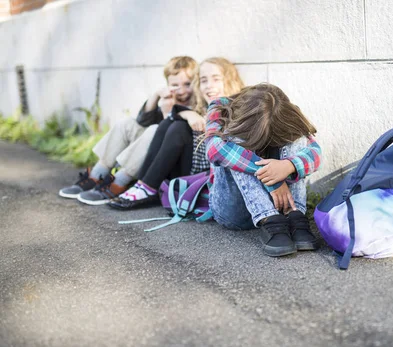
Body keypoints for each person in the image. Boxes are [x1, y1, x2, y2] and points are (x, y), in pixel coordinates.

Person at [58, 56, 198, 205]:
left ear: (196, 84)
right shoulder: (169, 99)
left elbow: (168, 139)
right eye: (175, 85)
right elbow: (141, 121)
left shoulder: (197, 104)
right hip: (146, 157)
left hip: (168, 166)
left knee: (154, 130)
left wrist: (168, 114)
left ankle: (118, 183)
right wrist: (156, 96)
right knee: (126, 124)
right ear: (167, 85)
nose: (182, 90)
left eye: (187, 84)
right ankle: (96, 176)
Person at [108, 57, 244, 209]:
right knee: (171, 123)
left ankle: (146, 187)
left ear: (230, 80)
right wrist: (185, 113)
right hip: (187, 169)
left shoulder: (237, 108)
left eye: (216, 79)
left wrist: (184, 114)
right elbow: (147, 121)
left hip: (209, 175)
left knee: (178, 127)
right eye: (204, 81)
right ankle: (144, 185)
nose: (209, 86)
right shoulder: (204, 106)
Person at [204, 83, 322, 257]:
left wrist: (288, 166)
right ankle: (268, 219)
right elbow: (214, 150)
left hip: (281, 206)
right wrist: (274, 181)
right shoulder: (219, 107)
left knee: (295, 134)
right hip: (232, 211)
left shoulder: (282, 111)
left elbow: (315, 153)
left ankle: (294, 215)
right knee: (233, 142)